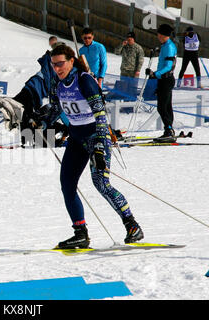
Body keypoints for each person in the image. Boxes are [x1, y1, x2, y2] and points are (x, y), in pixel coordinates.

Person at [44, 44, 143, 249]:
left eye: (60, 64)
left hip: (97, 136)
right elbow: (55, 109)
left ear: (72, 61)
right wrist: (39, 120)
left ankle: (132, 225)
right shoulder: (57, 83)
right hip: (76, 139)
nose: (57, 68)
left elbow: (100, 113)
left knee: (101, 183)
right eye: (54, 65)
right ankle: (80, 233)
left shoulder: (84, 80)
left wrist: (99, 145)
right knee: (67, 184)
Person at [146, 24, 177, 140]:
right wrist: (157, 50)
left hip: (166, 79)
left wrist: (155, 74)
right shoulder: (165, 45)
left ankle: (169, 130)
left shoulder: (169, 47)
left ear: (164, 35)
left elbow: (169, 66)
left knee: (162, 107)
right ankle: (168, 129)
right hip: (163, 79)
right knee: (166, 106)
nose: (158, 36)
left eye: (159, 34)